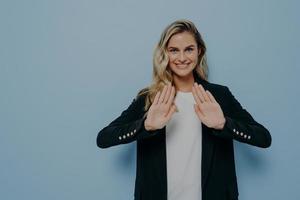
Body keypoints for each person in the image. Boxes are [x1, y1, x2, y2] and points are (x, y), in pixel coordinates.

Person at [96, 19, 272, 200]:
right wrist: (145, 126)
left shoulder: (219, 95)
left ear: (199, 51)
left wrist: (224, 124)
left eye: (189, 49)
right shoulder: (150, 98)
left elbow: (264, 138)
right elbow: (103, 138)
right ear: (165, 53)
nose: (182, 58)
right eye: (174, 50)